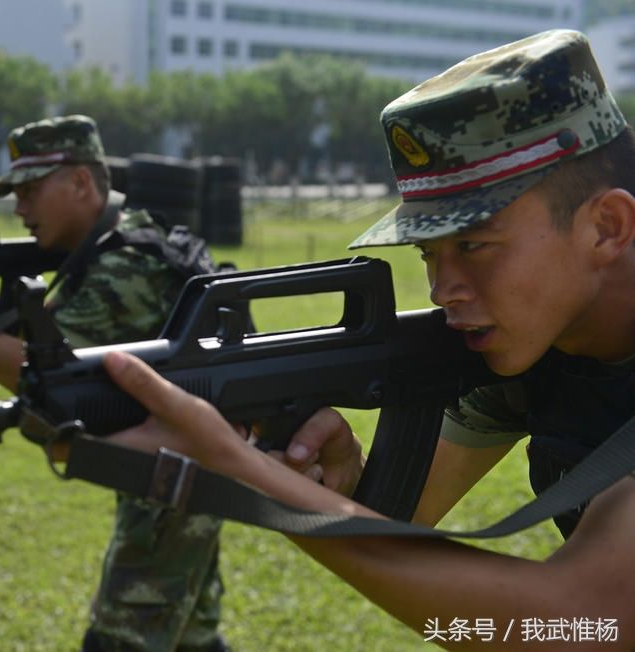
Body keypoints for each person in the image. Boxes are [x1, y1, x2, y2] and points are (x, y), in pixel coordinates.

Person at [97, 30, 635, 649]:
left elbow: (584, 624)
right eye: (429, 254)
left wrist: (232, 462)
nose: (442, 290)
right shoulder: (548, 345)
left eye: (474, 245)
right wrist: (328, 483)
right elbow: (396, 526)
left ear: (607, 226)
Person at [0, 115, 230, 652]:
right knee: (191, 640)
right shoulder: (120, 240)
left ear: (83, 183)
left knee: (121, 639)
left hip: (177, 477)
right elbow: (54, 341)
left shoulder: (121, 266)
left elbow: (35, 372)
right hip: (180, 464)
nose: (20, 208)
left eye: (32, 190)